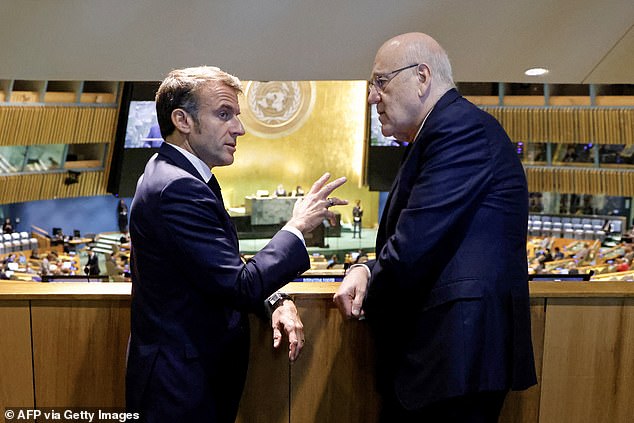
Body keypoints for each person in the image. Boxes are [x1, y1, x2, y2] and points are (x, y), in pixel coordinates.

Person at [334, 33, 536, 422]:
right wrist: (364, 268)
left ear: (422, 76)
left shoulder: (459, 130)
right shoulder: (442, 132)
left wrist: (365, 276)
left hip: (455, 360)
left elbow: (414, 245)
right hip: (447, 360)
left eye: (380, 82)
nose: (373, 97)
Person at [126, 66, 346, 423]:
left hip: (186, 380)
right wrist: (298, 225)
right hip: (179, 390)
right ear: (182, 119)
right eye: (224, 114)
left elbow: (218, 269)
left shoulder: (174, 173)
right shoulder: (178, 188)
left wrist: (274, 299)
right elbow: (238, 286)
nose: (239, 129)